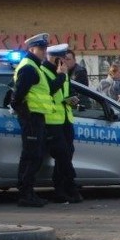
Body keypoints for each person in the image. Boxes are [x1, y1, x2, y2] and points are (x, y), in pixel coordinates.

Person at [10, 33, 54, 207]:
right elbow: (17, 97)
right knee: (31, 157)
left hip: (36, 118)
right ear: (31, 49)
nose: (44, 52)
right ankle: (25, 194)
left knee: (34, 156)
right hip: (31, 118)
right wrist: (25, 115)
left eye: (45, 48)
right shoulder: (29, 67)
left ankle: (28, 193)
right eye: (41, 49)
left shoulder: (36, 66)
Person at [42, 45, 83, 204]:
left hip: (66, 119)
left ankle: (61, 190)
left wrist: (73, 99)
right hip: (51, 121)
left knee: (66, 155)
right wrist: (60, 76)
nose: (65, 62)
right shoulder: (44, 72)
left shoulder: (63, 73)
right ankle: (71, 186)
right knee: (62, 154)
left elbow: (67, 92)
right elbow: (48, 91)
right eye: (62, 58)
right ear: (54, 58)